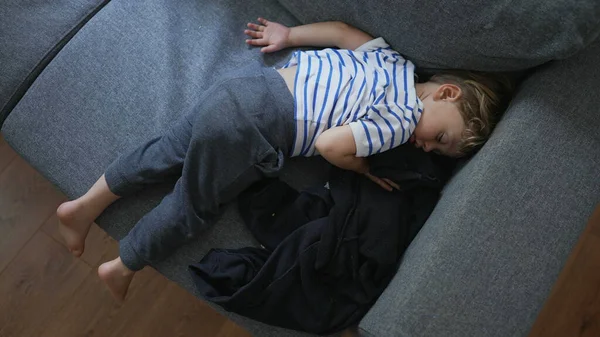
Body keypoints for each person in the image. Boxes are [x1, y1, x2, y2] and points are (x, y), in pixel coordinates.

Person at [57, 18, 511, 301]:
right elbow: (334, 146)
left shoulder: (394, 63)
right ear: (447, 93)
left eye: (437, 152)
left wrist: (288, 34)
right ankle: (122, 265)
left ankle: (83, 206)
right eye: (441, 138)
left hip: (245, 89)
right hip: (256, 128)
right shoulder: (398, 119)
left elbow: (341, 32)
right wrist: (364, 167)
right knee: (193, 205)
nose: (426, 148)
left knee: (165, 151)